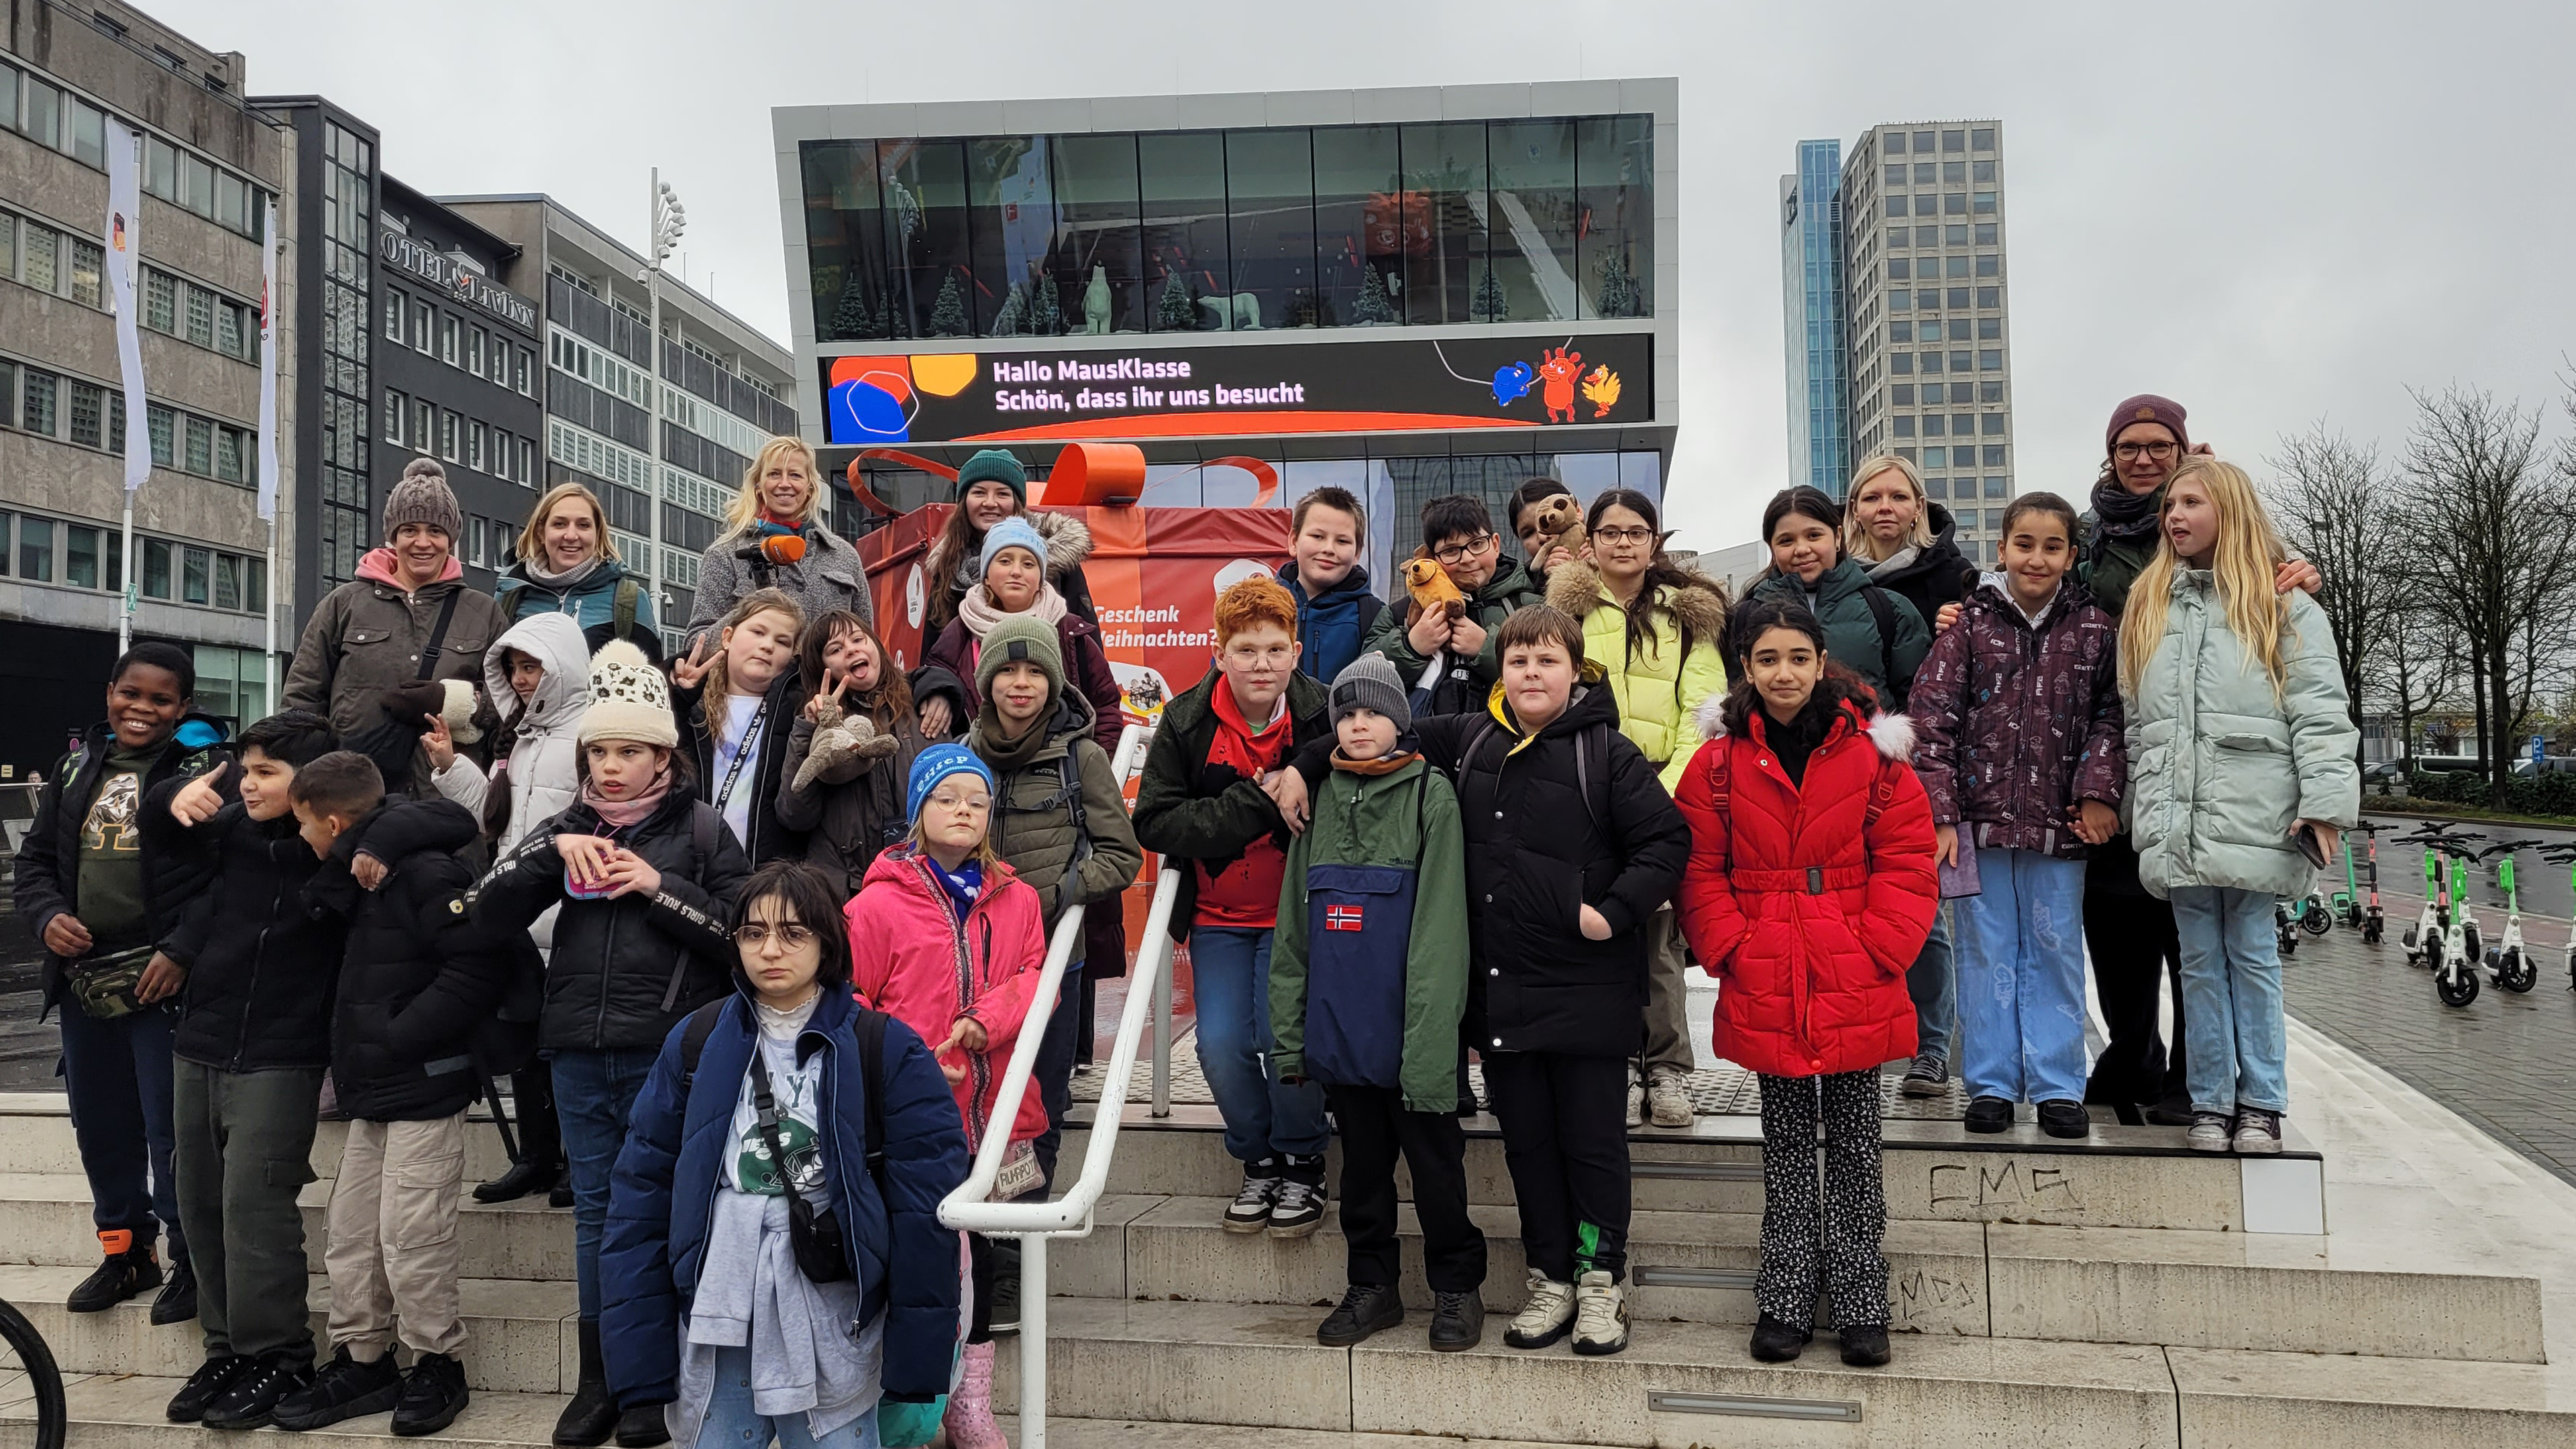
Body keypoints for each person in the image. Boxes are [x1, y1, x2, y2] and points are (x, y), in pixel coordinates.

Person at [1278, 606, 1689, 1355]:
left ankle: (1600, 1280)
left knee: (1592, 1147)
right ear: (1502, 668)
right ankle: (1551, 1278)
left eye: (1548, 662)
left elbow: (1667, 840)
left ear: (1575, 671)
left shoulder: (1609, 753)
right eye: (1521, 661)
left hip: (1587, 991)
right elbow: (1372, 727)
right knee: (1528, 1144)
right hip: (1502, 994)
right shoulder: (1468, 737)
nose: (1533, 674)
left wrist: (1613, 912)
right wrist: (1301, 769)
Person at [477, 639, 752, 1448]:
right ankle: (600, 1381)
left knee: (664, 1210)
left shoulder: (701, 830)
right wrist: (545, 850)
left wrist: (656, 887)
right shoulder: (564, 827)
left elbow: (743, 935)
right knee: (596, 1214)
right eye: (599, 750)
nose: (612, 766)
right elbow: (483, 912)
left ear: (662, 753)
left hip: (667, 1052)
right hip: (575, 1048)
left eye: (629, 750)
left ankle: (656, 1382)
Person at [601, 860, 969, 1449]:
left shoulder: (885, 1048)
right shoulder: (697, 1040)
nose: (771, 949)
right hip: (721, 1294)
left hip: (836, 1304)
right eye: (753, 933)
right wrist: (639, 1358)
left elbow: (924, 1210)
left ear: (827, 943)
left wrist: (915, 1354)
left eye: (794, 933)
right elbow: (641, 1195)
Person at [1672, 600, 1937, 1369]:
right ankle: (1784, 1297)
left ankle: (1862, 1301)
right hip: (1768, 970)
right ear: (1745, 669)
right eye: (1766, 659)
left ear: (1822, 663)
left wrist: (1880, 948)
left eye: (1797, 657)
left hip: (1855, 969)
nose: (1783, 673)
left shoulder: (1873, 756)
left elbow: (1909, 860)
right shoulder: (1719, 764)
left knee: (1856, 1144)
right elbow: (1698, 868)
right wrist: (1732, 946)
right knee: (1786, 1145)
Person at [2068, 394, 2319, 1126]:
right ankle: (2134, 1052)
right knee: (2116, 923)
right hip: (2124, 742)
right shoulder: (2086, 540)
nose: (2143, 459)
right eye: (2128, 447)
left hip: (2204, 758)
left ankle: (2196, 1079)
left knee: (2197, 936)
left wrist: (2300, 573)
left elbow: (2269, 587)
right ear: (2110, 456)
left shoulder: (2222, 522)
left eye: (2159, 446)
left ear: (2184, 453)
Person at [2118, 457, 2359, 1154]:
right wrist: (2144, 804)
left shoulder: (2285, 604)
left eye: (2192, 501)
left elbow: (2320, 712)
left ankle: (2262, 1102)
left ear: (2230, 510)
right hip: (2180, 815)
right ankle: (2211, 1101)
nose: (2175, 516)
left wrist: (2324, 807)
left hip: (2257, 810)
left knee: (2251, 953)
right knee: (2197, 959)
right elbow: (2139, 721)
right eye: (2171, 505)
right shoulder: (2149, 603)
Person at [270, 753, 511, 1436]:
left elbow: (477, 966)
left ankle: (438, 1362)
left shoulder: (424, 873)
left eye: (306, 825)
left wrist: (402, 1036)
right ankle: (364, 1357)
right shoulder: (362, 874)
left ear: (336, 821)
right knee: (351, 1235)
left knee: (414, 1235)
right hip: (374, 1086)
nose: (302, 838)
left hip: (422, 1083)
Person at [1268, 657, 1486, 1352]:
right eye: (1347, 714)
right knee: (1360, 1177)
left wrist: (1428, 1047)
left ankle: (1457, 1288)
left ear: (1401, 720)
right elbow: (1294, 932)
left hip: (1414, 1035)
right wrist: (1293, 1036)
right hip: (1342, 1036)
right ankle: (1373, 1288)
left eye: (1373, 712)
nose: (1359, 724)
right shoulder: (1318, 797)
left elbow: (1442, 934)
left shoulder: (1432, 796)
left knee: (1437, 1173)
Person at [12, 641, 228, 1322]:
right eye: (130, 694)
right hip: (84, 982)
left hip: (162, 982)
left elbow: (230, 880)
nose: (141, 709)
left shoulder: (205, 773)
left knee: (172, 1130)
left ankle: (188, 1259)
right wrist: (47, 917)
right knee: (101, 1127)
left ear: (183, 708)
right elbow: (37, 861)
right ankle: (124, 1250)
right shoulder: (77, 766)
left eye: (160, 700)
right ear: (110, 692)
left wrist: (182, 952)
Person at [845, 747, 1051, 1449]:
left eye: (978, 801)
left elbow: (1034, 977)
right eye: (947, 798)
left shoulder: (1018, 897)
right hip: (912, 1116)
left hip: (996, 1112)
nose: (964, 811)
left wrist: (982, 1023)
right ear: (918, 811)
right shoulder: (875, 904)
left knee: (986, 1259)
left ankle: (970, 1404)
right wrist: (914, 1062)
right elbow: (855, 1001)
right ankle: (908, 1396)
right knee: (921, 1257)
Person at [141, 710, 339, 1428]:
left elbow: (427, 828)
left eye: (265, 774)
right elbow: (161, 840)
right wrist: (168, 800)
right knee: (198, 1201)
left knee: (255, 1207)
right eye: (245, 771)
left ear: (309, 783)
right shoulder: (233, 833)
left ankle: (280, 1356)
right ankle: (224, 1347)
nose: (248, 786)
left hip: (282, 1053)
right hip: (202, 1039)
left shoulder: (333, 849)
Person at [1909, 494, 2126, 1138]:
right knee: (1985, 950)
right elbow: (1930, 721)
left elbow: (2112, 716)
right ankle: (1992, 1083)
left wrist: (2098, 791)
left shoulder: (2094, 628)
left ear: (2071, 555)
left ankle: (2059, 1083)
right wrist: (1942, 814)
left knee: (2057, 950)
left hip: (2061, 826)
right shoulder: (1968, 628)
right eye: (2023, 544)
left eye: (2052, 546)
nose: (2037, 558)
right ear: (2001, 550)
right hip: (1979, 824)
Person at [1132, 576, 1334, 1237]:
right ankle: (1259, 1159)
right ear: (1219, 653)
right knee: (1220, 1047)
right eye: (1246, 650)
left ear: (1297, 652)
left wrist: (1300, 769)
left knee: (1285, 1042)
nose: (1262, 664)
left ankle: (1304, 1161)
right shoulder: (1187, 720)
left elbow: (1372, 744)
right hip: (1220, 917)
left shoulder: (1323, 714)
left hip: (1297, 917)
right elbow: (1155, 822)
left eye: (1275, 649)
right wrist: (1256, 801)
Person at [965, 616, 1144, 1332]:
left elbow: (1121, 856)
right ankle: (972, 1253)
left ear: (1053, 681)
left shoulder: (1080, 757)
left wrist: (1047, 897)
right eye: (1007, 673)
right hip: (970, 963)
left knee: (1036, 1106)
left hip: (1050, 962)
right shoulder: (961, 756)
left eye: (1034, 672)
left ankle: (1012, 1259)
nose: (1020, 684)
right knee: (973, 1104)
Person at [1543, 488, 1729, 1130]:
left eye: (1637, 532)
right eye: (1610, 532)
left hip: (1661, 798)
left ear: (1655, 541)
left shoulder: (1692, 615)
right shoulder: (1563, 614)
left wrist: (1661, 799)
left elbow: (1703, 714)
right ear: (1588, 542)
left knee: (1658, 941)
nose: (1624, 543)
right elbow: (1550, 696)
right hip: (1584, 795)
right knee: (1597, 937)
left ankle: (1669, 1070)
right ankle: (1617, 1062)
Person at [425, 612, 594, 1207]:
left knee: (567, 1048)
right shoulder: (521, 737)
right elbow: (497, 823)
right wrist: (450, 769)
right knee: (524, 1043)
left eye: (533, 666)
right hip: (521, 914)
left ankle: (576, 1159)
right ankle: (536, 1157)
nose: (523, 680)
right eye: (515, 668)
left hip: (570, 911)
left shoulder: (590, 732)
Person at [284, 458, 511, 755]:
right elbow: (302, 698)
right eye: (409, 530)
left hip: (447, 791)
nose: (423, 542)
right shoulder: (344, 604)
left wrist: (451, 703)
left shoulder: (484, 612)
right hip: (353, 789)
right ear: (392, 537)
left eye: (435, 531)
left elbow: (509, 702)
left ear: (451, 540)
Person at [914, 518, 1123, 755]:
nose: (1016, 571)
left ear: (1041, 578)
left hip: (1061, 773)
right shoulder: (958, 635)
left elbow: (1105, 705)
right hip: (981, 772)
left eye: (1028, 564)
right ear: (985, 575)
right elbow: (931, 683)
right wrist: (939, 691)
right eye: (1004, 561)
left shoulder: (1069, 632)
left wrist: (1096, 765)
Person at [777, 610, 925, 898]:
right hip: (845, 891)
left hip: (920, 885)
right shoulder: (813, 726)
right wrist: (807, 731)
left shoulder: (921, 706)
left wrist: (944, 691)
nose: (852, 650)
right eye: (835, 649)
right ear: (821, 668)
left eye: (859, 639)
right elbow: (794, 815)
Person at [1741, 486, 1929, 710]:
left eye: (1814, 536)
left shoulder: (1890, 610)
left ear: (1838, 536)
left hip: (1866, 743)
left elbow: (1919, 703)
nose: (1802, 549)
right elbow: (1739, 699)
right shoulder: (1747, 616)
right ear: (1772, 548)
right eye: (1786, 541)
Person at [1363, 494, 1546, 718]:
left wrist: (1488, 648)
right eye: (1451, 551)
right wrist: (1411, 647)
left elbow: (1553, 674)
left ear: (1495, 544)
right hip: (1425, 746)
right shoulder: (1401, 613)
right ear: (1431, 557)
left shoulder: (1531, 606)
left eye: (1477, 544)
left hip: (1508, 741)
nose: (1467, 558)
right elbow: (1362, 680)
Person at [685, 436, 871, 655]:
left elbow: (867, 640)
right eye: (774, 474)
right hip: (758, 688)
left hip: (830, 687)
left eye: (795, 475)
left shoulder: (843, 555)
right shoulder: (725, 554)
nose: (785, 484)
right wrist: (753, 607)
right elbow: (697, 646)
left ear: (810, 488)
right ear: (758, 486)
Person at [674, 588, 808, 867]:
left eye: (782, 641)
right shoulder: (692, 706)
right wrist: (679, 703)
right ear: (728, 637)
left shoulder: (798, 714)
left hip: (764, 870)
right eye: (758, 632)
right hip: (694, 865)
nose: (768, 645)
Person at [922, 448, 1097, 636]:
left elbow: (1084, 638)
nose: (990, 503)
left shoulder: (1057, 557)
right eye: (979, 493)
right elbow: (935, 649)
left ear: (1017, 503)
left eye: (1002, 494)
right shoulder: (948, 564)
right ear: (964, 502)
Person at [496, 480, 661, 658]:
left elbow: (653, 678)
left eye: (583, 525)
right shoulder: (510, 594)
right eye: (560, 524)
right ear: (541, 532)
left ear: (597, 534)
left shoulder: (630, 601)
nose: (571, 536)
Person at [1843, 454, 1974, 635]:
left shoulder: (1956, 573)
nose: (1885, 507)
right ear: (1855, 510)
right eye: (1872, 498)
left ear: (1919, 507)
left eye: (1899, 497)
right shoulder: (1834, 576)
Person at [1276, 485, 1387, 684]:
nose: (1329, 549)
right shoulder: (1254, 608)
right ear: (1294, 541)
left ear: (1357, 553)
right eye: (1318, 537)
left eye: (1342, 541)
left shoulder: (1374, 617)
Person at [1507, 478, 1582, 584]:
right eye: (1528, 533)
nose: (1542, 537)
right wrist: (1544, 581)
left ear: (1577, 511)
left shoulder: (1609, 551)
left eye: (1551, 520)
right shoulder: (1519, 588)